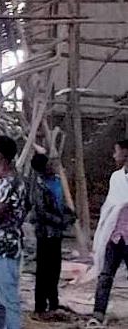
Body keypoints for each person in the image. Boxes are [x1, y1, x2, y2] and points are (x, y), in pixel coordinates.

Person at [0, 135, 28, 329]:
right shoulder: (6, 181)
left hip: (6, 247)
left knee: (7, 297)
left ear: (0, 155)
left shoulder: (10, 183)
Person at [88, 140, 128, 327]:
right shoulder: (116, 178)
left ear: (126, 154)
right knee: (105, 276)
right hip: (114, 236)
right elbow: (111, 206)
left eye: (116, 152)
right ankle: (98, 314)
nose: (114, 155)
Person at [30, 152, 74, 319]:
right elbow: (41, 212)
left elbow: (59, 203)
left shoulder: (56, 181)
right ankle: (40, 306)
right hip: (45, 232)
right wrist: (60, 221)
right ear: (43, 168)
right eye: (49, 164)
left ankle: (53, 303)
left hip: (56, 232)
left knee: (55, 268)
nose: (53, 166)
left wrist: (69, 214)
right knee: (44, 270)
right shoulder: (38, 185)